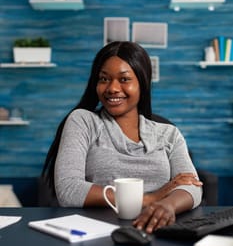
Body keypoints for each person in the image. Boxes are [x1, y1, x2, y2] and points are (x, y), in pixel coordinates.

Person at [42, 41, 202, 233]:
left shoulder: (168, 134)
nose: (112, 88)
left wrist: (167, 206)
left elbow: (192, 187)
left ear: (142, 83)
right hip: (94, 232)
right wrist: (149, 199)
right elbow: (69, 190)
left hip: (159, 229)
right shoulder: (83, 121)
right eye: (104, 79)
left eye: (124, 79)